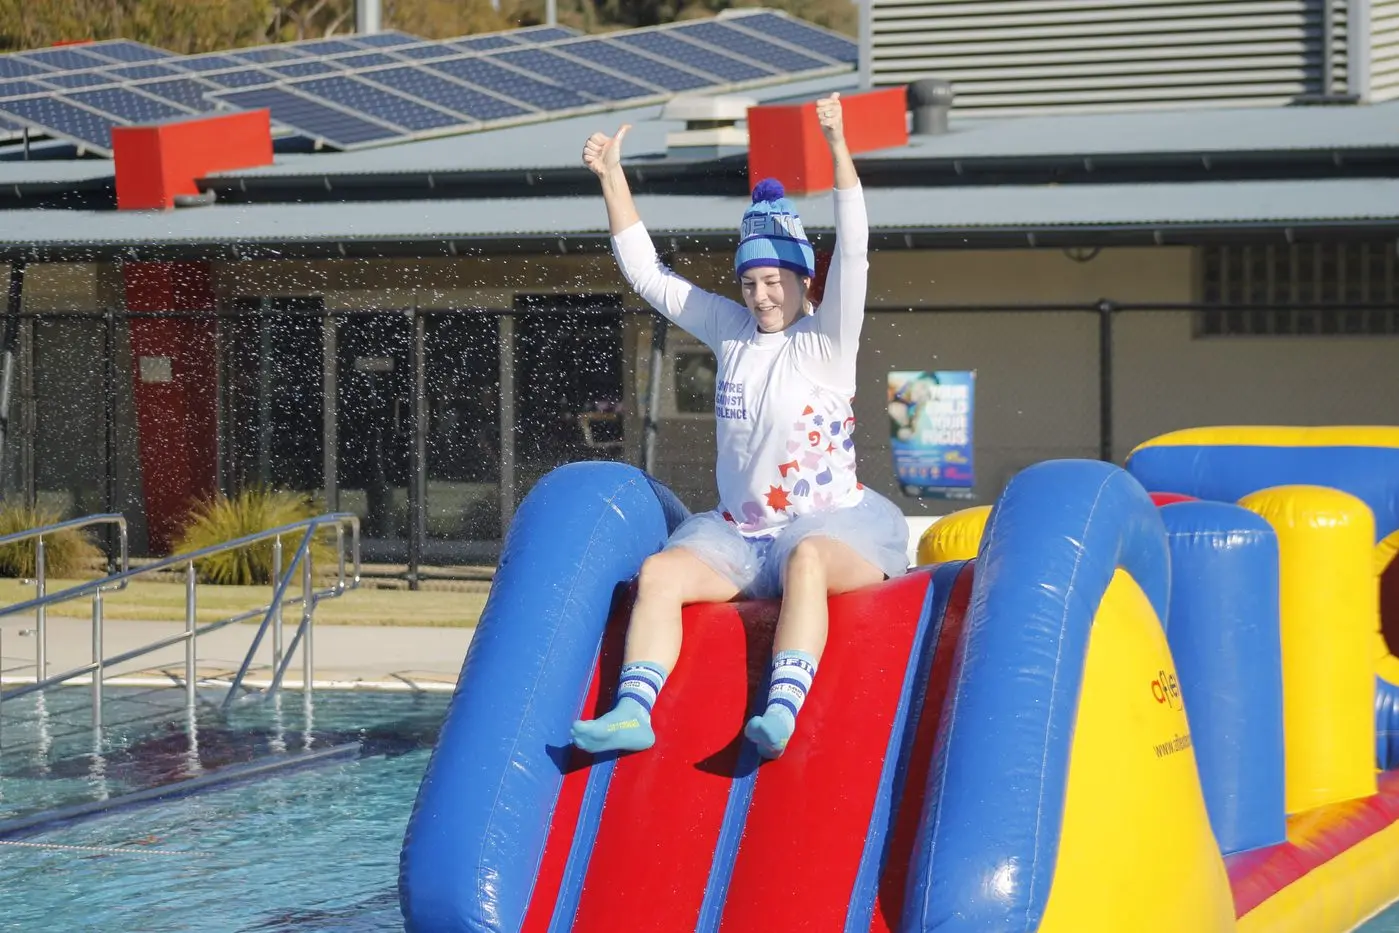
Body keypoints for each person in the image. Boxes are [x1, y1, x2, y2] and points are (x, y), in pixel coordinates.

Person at [570, 93, 910, 760]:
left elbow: (858, 252)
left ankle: (780, 709)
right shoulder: (730, 332)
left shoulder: (825, 342)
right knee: (660, 572)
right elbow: (650, 277)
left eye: (774, 279)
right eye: (750, 280)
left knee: (807, 560)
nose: (760, 294)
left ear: (802, 280)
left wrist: (839, 149)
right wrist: (612, 177)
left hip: (831, 527)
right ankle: (631, 710)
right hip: (739, 534)